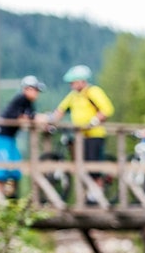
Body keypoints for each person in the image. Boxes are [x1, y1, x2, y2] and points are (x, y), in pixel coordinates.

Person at [49, 64, 115, 194]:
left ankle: (96, 194)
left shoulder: (93, 91)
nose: (71, 85)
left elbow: (107, 109)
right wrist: (51, 121)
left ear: (81, 81)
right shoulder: (73, 96)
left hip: (94, 134)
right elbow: (60, 110)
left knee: (94, 166)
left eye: (73, 82)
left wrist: (94, 121)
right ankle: (88, 194)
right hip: (80, 136)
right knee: (82, 165)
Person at [0, 75, 44, 196]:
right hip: (1, 136)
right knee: (1, 170)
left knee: (15, 170)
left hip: (10, 138)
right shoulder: (20, 99)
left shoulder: (28, 103)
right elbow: (22, 117)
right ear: (28, 89)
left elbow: (30, 117)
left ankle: (10, 200)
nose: (37, 94)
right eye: (35, 90)